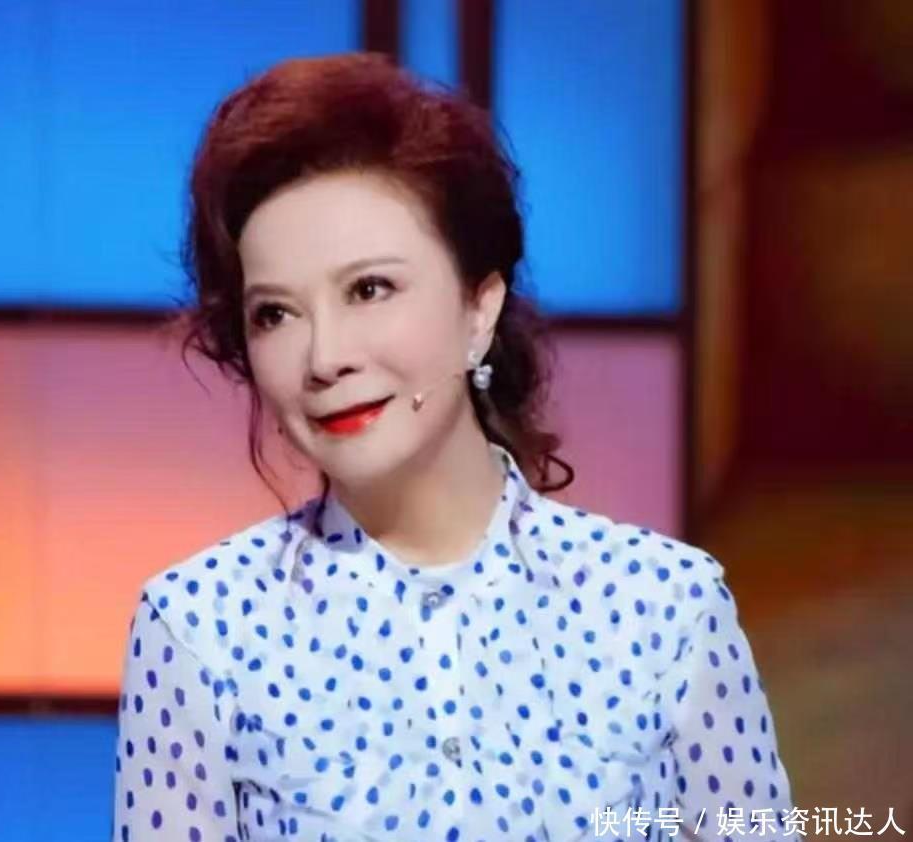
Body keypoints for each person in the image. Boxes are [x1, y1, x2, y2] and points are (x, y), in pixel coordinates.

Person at [110, 52, 792, 842]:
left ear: (479, 308)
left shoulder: (665, 607)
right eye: (275, 314)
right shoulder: (198, 629)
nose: (324, 356)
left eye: (369, 289)